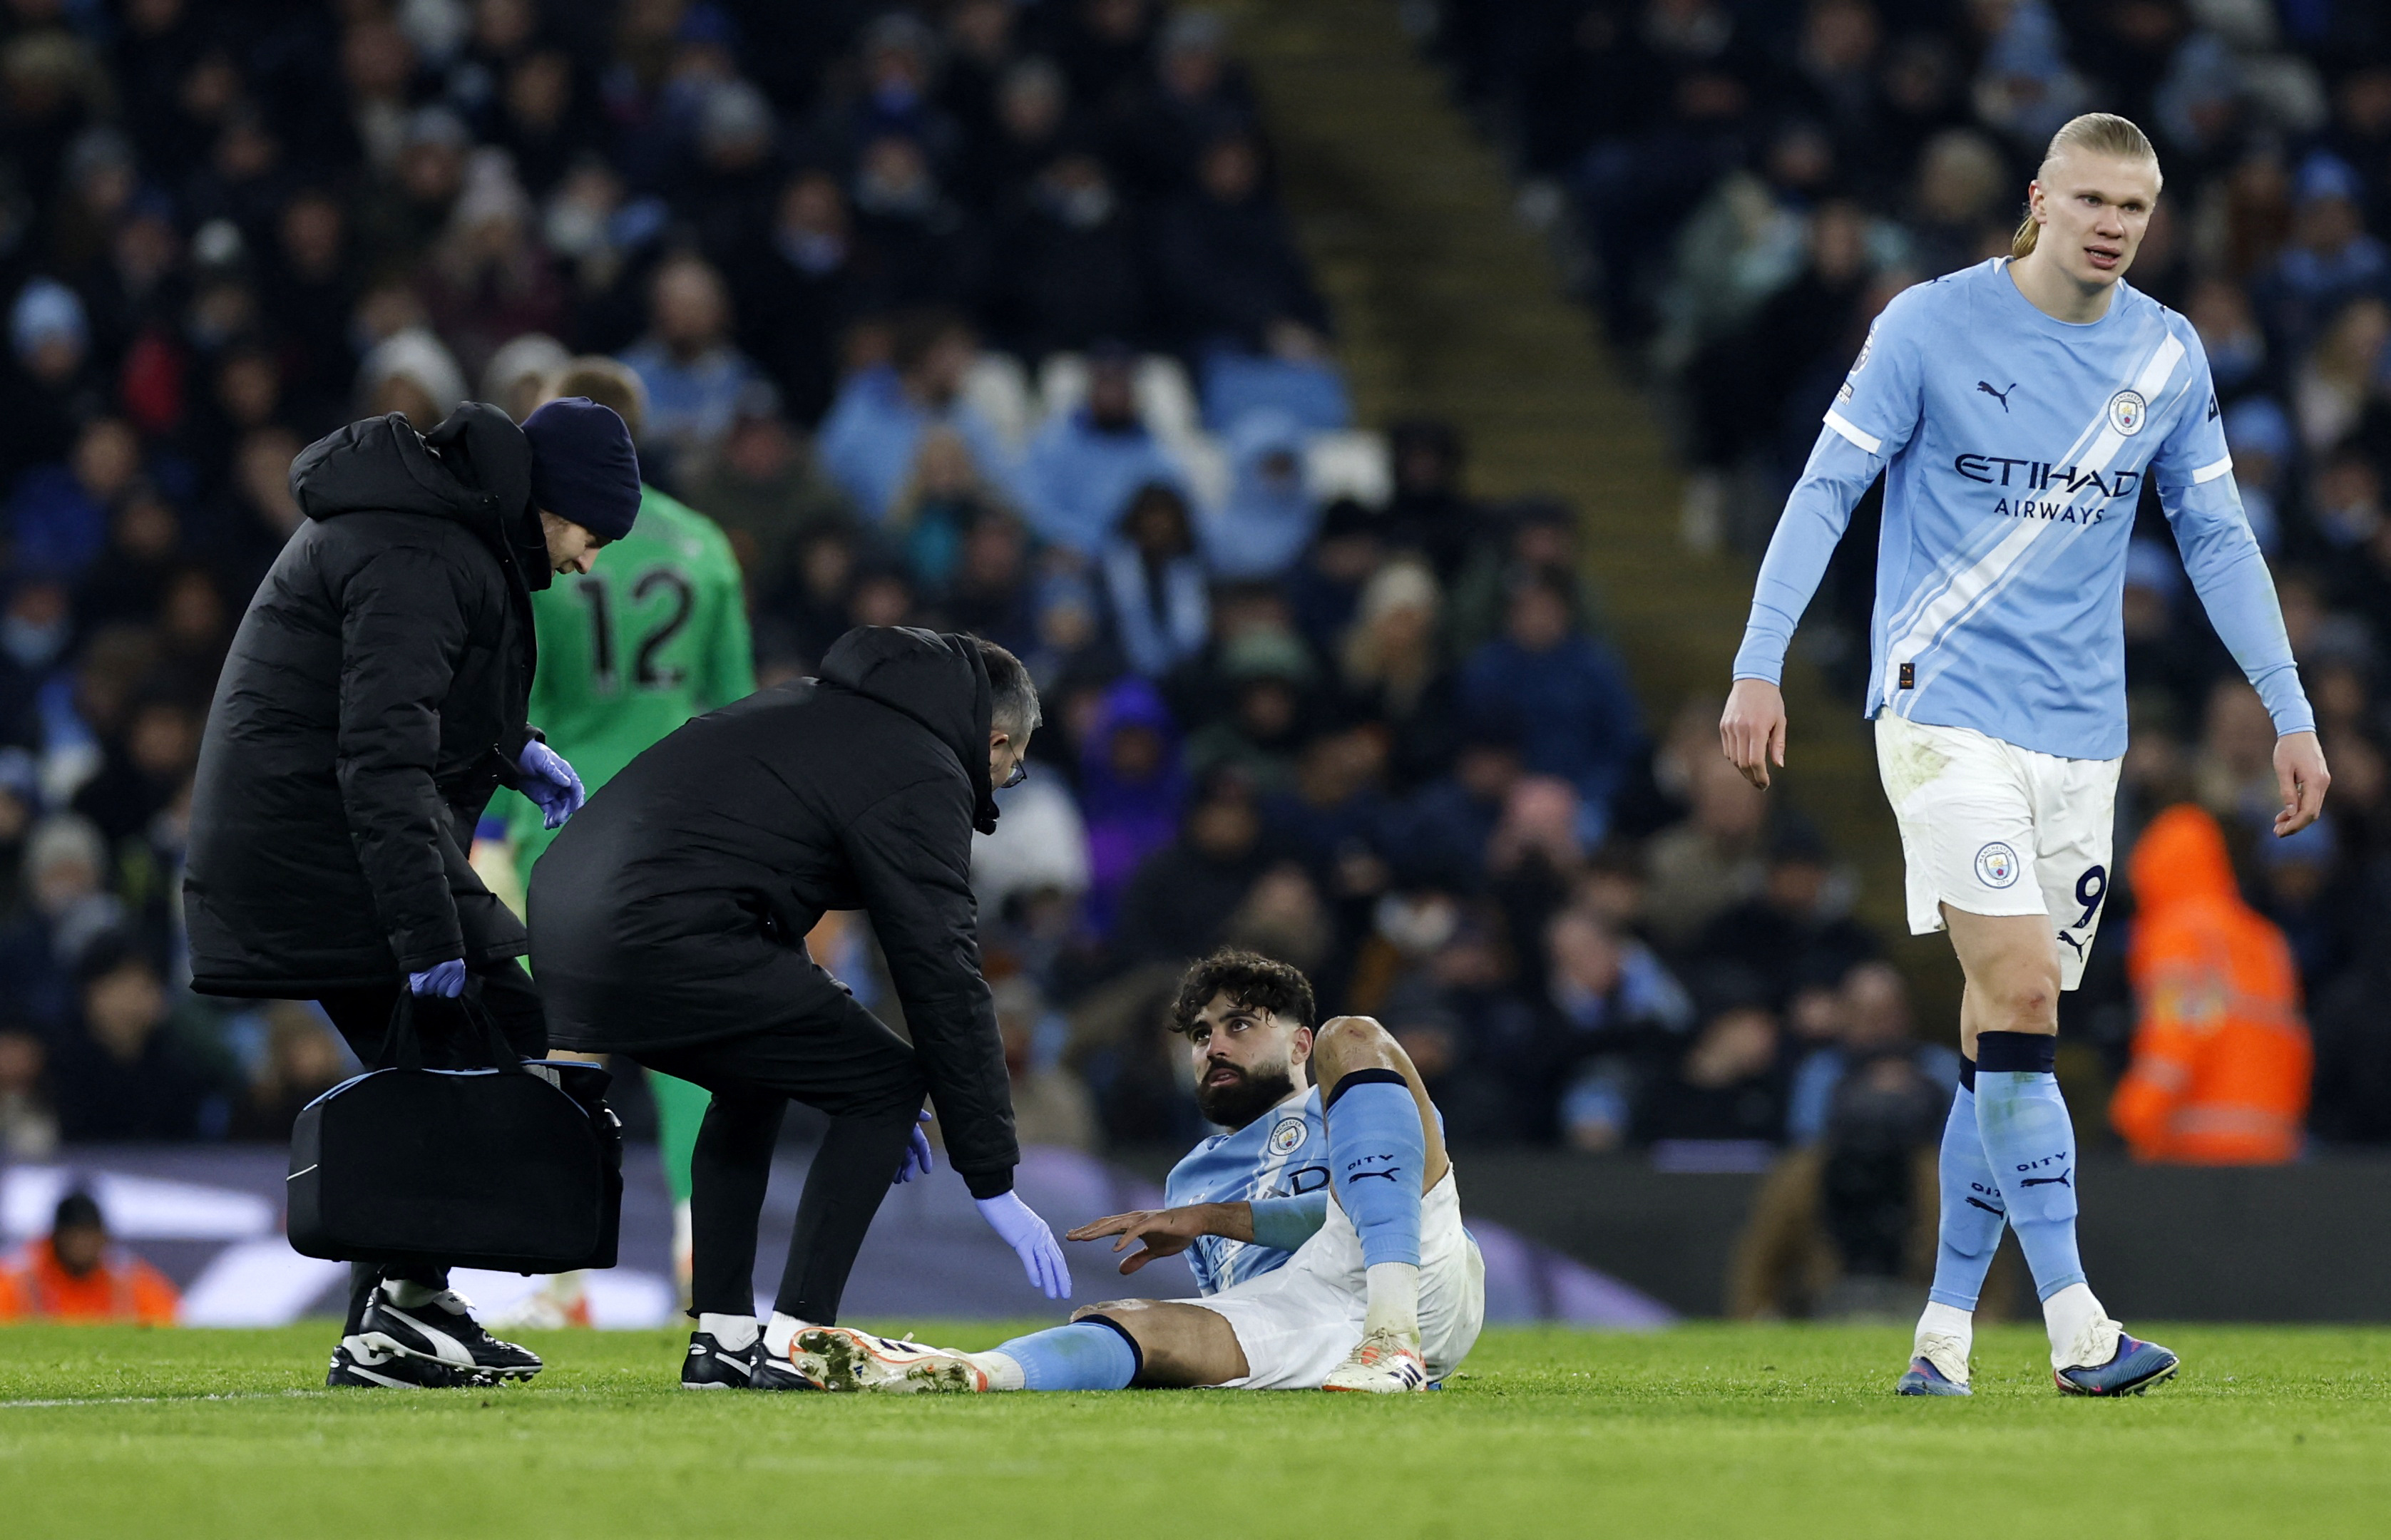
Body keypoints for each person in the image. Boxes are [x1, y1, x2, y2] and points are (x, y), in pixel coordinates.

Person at [1720, 113, 2328, 1398]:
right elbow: (1823, 491)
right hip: (1940, 712)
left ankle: (1942, 1336)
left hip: (2079, 739)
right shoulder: (1926, 327)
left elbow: (2216, 541)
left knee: (2001, 1031)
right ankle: (2075, 1328)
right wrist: (1756, 663)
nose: (2111, 225)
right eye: (2092, 200)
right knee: (2024, 994)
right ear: (2039, 198)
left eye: (2136, 208)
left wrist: (2288, 710)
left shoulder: (2165, 354)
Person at [183, 394, 642, 1390]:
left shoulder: (436, 533)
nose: (587, 562)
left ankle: (411, 1307)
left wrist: (511, 749)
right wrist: (427, 929)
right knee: (474, 1047)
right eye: (591, 535)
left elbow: (402, 710)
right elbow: (380, 760)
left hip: (329, 836)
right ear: (551, 501)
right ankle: (394, 1321)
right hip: (321, 848)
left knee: (503, 1036)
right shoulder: (422, 552)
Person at [526, 628, 1070, 1390]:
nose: (1000, 787)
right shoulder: (920, 767)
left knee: (755, 1076)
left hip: (562, 920)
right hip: (660, 930)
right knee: (882, 1082)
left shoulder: (809, 712)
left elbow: (744, 886)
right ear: (996, 739)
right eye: (1008, 773)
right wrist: (990, 1173)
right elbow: (941, 970)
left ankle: (721, 1336)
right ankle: (797, 1336)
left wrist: (836, 1027)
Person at [782, 948, 1485, 1395]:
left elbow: (1354, 1211)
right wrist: (1189, 1248)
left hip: (1411, 1276)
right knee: (1135, 1327)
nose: (1213, 1047)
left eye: (1239, 1026)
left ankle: (1395, 1342)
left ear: (1295, 1042)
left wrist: (1217, 1220)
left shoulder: (1352, 1096)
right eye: (1200, 1036)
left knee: (1355, 1033)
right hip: (1310, 1319)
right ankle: (962, 1370)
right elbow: (1261, 1293)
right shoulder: (1189, 1177)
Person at [481, 356, 755, 1326]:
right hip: (686, 825)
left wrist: (492, 830)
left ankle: (555, 1277)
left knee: (561, 1041)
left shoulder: (532, 549)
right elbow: (731, 711)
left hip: (562, 822)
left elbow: (509, 701)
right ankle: (701, 1244)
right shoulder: (705, 547)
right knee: (691, 1048)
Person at [2110, 804, 2310, 1164]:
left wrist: (2134, 1116)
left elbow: (2179, 1031)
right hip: (2273, 1141)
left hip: (2196, 1144)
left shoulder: (2178, 933)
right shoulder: (2265, 939)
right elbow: (2293, 1042)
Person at [0, 1190, 179, 1325]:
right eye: (74, 1235)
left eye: (89, 1234)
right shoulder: (19, 1281)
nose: (81, 1244)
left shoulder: (128, 1282)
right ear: (55, 1237)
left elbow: (168, 1319)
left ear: (103, 1238)